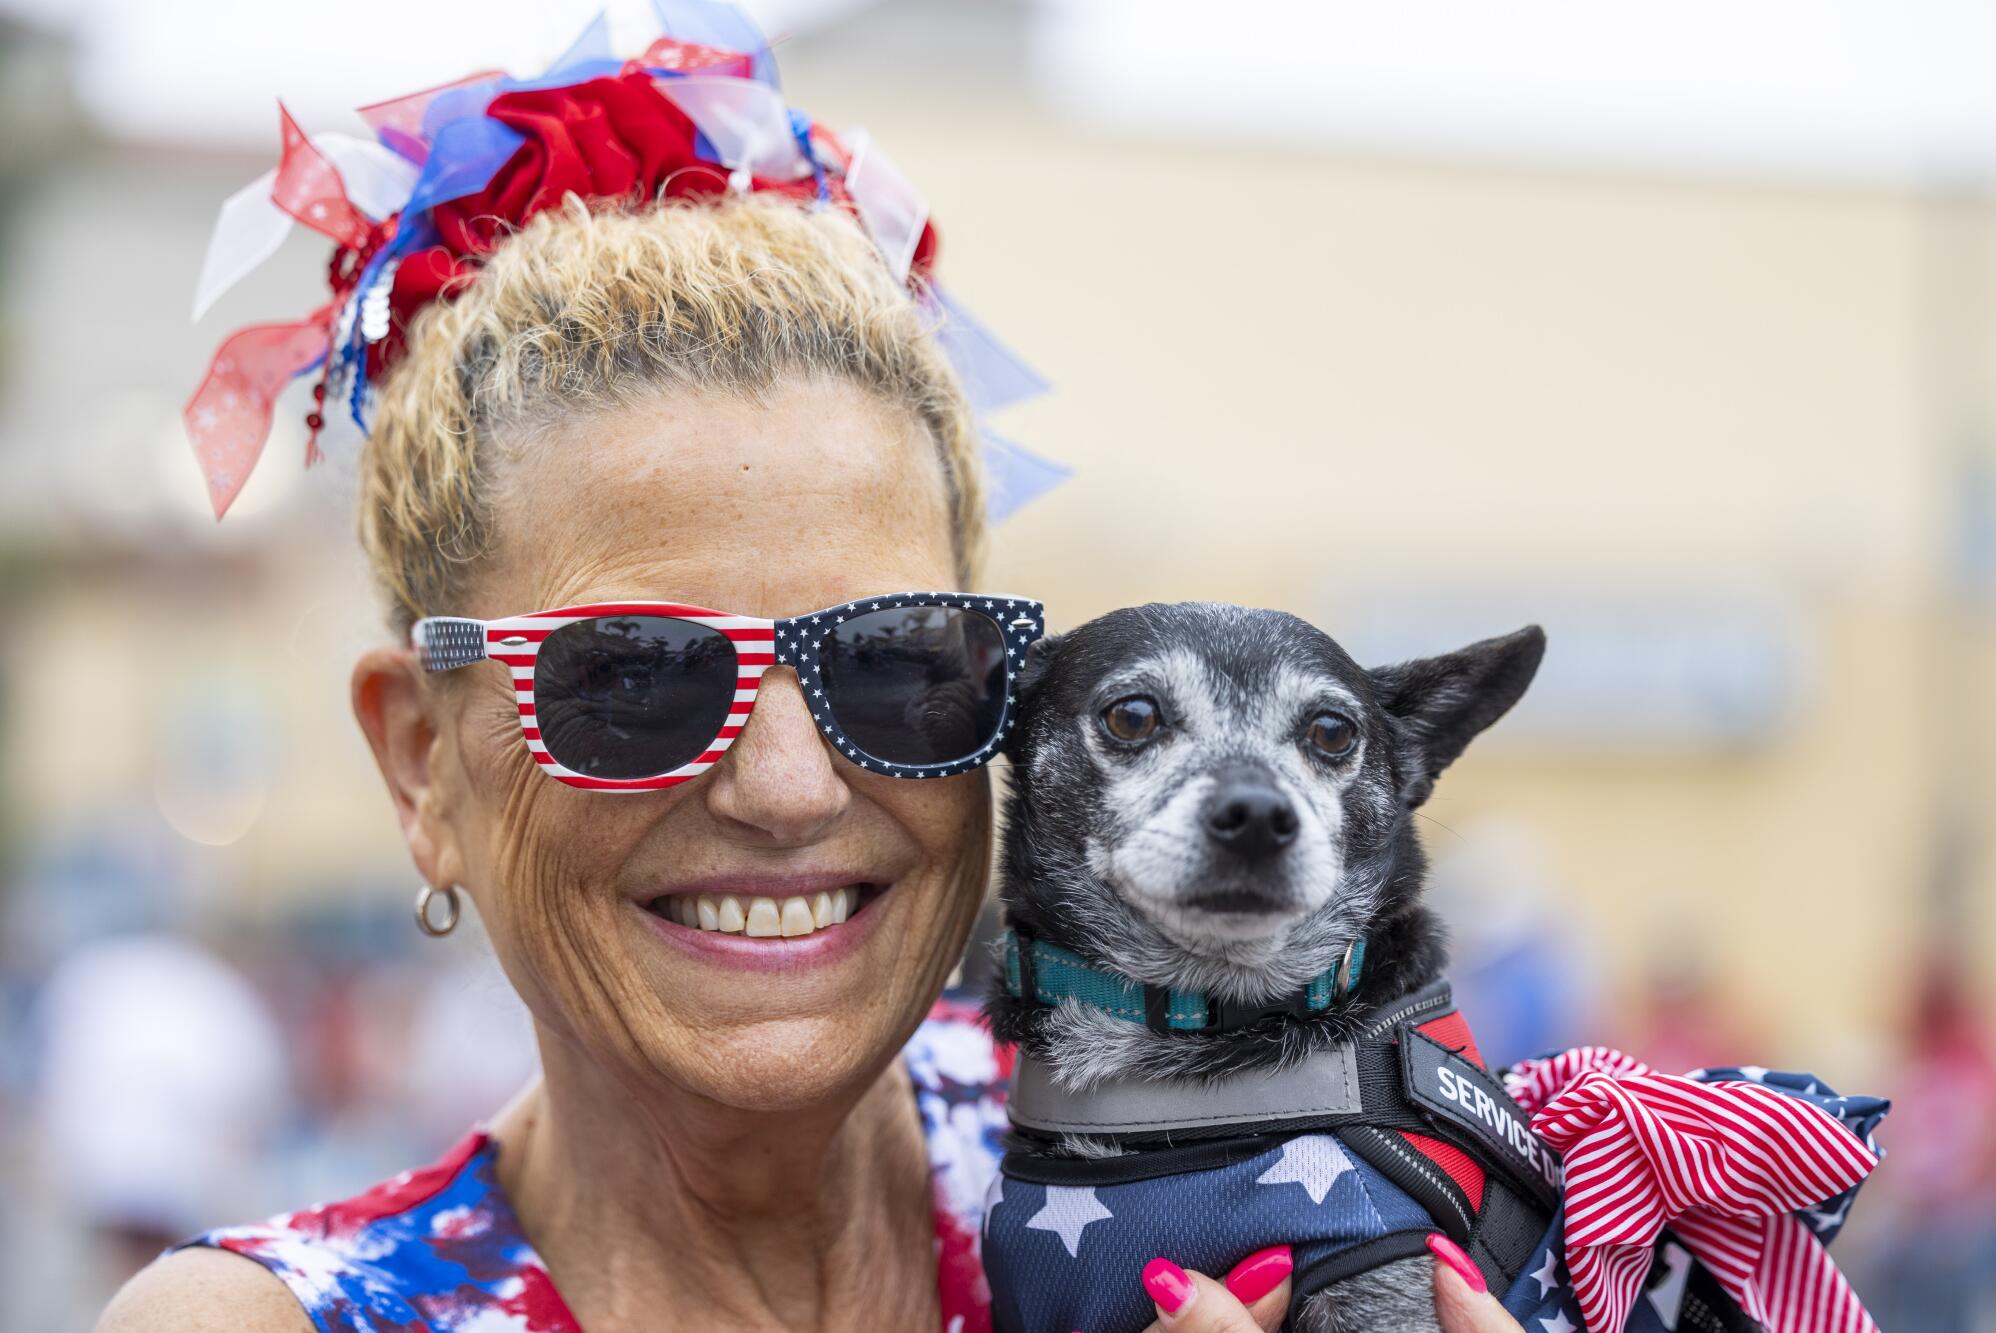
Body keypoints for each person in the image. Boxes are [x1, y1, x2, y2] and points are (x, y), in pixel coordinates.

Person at [99, 14, 1522, 1332]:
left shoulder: (1243, 1157)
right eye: (635, 677)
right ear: (423, 760)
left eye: (896, 667)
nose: (785, 786)